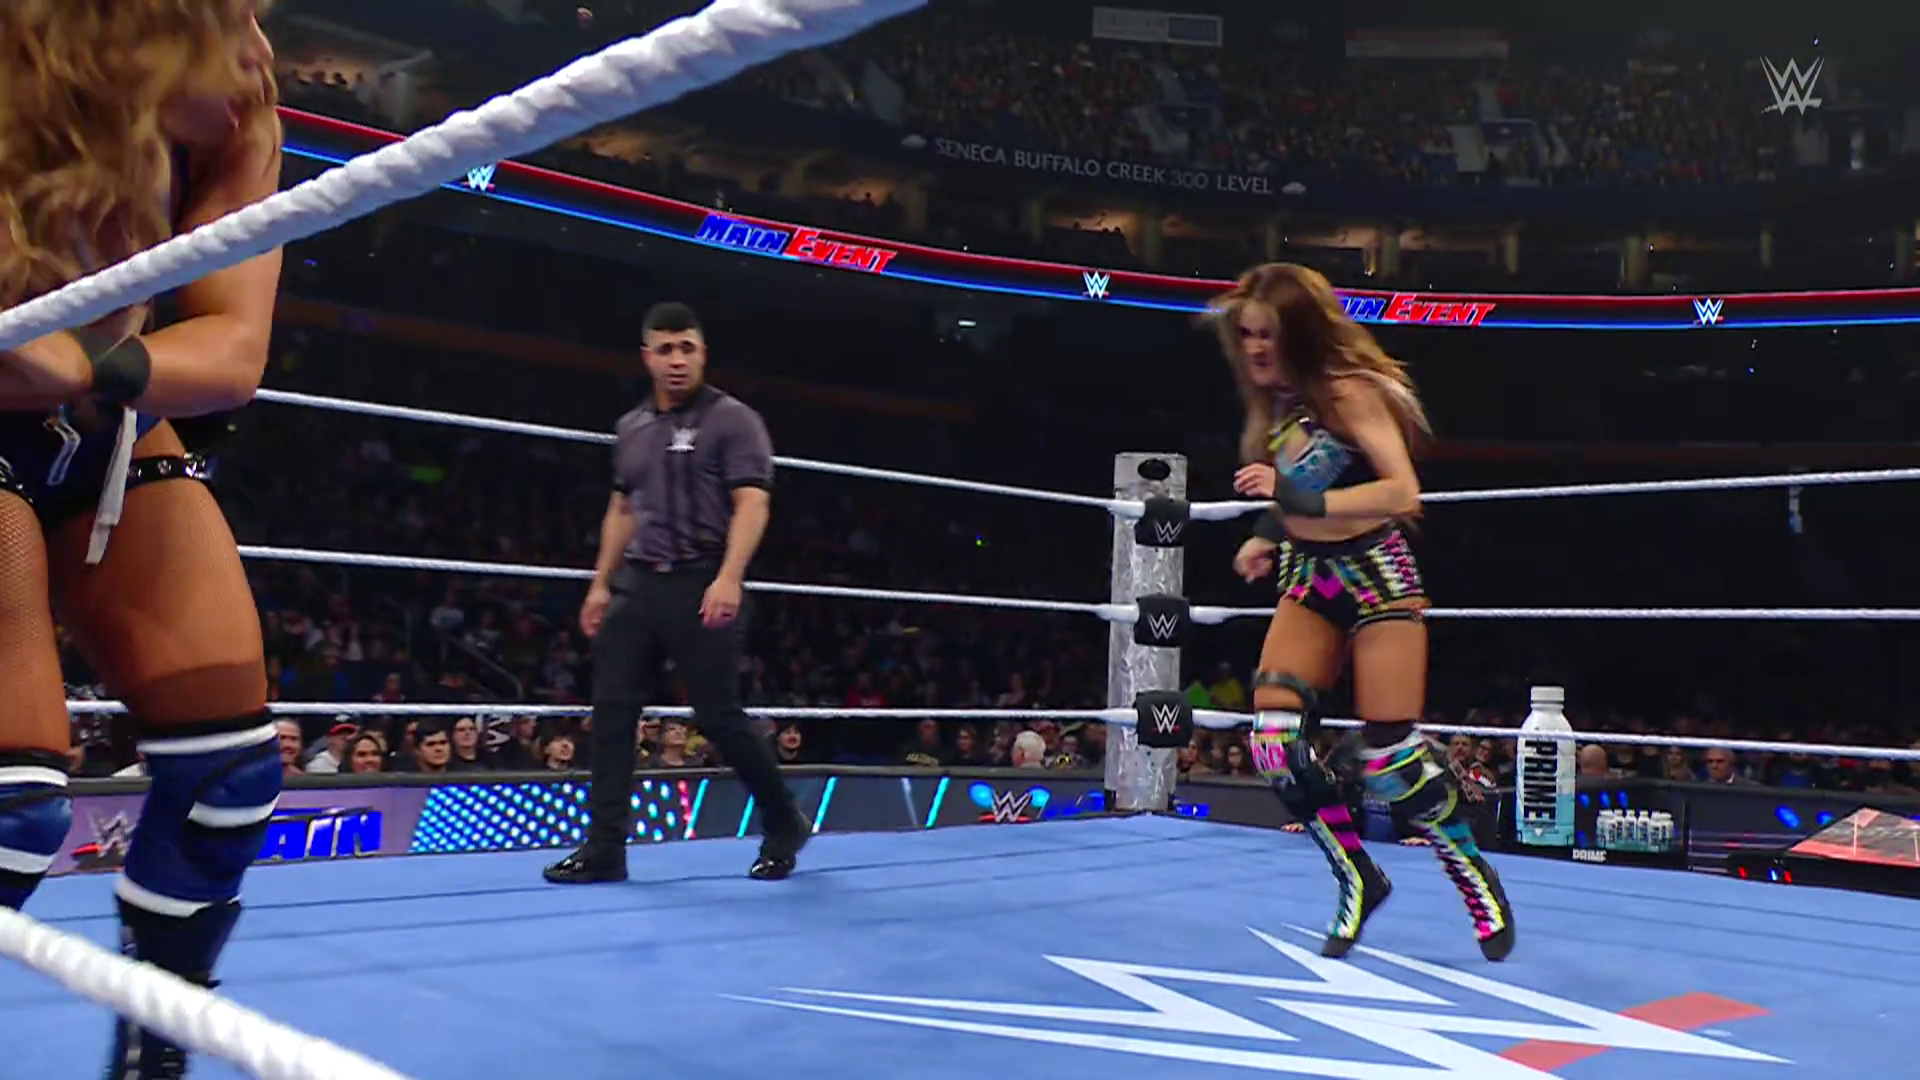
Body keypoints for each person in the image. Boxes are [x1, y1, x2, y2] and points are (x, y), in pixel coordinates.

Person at [0, 2, 286, 1075]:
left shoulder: (241, 120)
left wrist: (86, 367)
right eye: (229, 21)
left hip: (99, 428)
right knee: (13, 812)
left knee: (231, 779)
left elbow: (232, 349)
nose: (259, 52)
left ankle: (153, 1048)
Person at [1214, 263, 1515, 962]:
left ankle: (1468, 867)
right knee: (1274, 741)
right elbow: (1308, 481)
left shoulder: (1349, 391)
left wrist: (1296, 499)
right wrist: (1268, 532)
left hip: (1376, 575)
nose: (1255, 347)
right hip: (1309, 575)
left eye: (1267, 334)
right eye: (1247, 334)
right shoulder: (1278, 405)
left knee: (1389, 759)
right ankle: (1356, 873)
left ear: (1300, 333)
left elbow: (1401, 490)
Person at [544, 301, 807, 885]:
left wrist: (730, 575)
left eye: (687, 347)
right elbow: (621, 508)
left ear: (703, 352)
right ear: (647, 357)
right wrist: (599, 584)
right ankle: (605, 847)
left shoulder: (734, 420)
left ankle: (783, 819)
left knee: (717, 715)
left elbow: (752, 502)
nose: (677, 360)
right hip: (639, 582)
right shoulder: (631, 428)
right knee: (612, 711)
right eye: (665, 349)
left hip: (701, 577)